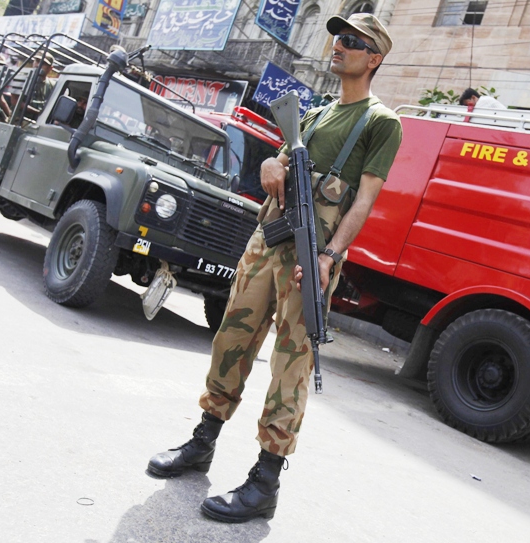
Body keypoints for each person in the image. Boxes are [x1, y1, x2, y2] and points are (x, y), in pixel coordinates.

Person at [146, 12, 403, 524]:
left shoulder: (381, 122)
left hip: (312, 256)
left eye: (351, 41)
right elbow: (281, 161)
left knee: (291, 363)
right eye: (337, 36)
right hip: (268, 241)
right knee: (232, 340)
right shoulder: (317, 112)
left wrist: (330, 256)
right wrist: (270, 164)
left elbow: (364, 201)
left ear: (374, 58)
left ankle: (265, 480)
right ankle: (202, 442)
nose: (338, 45)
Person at [27, 52, 55, 119]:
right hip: (19, 119)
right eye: (37, 61)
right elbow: (15, 101)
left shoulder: (53, 85)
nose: (38, 65)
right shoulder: (24, 78)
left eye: (43, 63)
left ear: (50, 68)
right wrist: (40, 113)